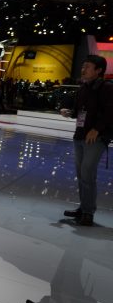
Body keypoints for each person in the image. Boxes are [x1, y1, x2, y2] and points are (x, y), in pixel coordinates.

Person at [60, 55, 113, 226]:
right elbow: (79, 111)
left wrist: (97, 129)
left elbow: (110, 112)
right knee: (81, 174)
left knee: (87, 173)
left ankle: (88, 212)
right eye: (83, 66)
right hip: (80, 135)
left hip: (96, 138)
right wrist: (70, 112)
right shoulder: (83, 88)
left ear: (99, 70)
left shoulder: (107, 88)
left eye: (88, 67)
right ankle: (83, 208)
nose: (83, 70)